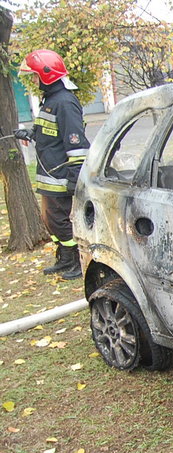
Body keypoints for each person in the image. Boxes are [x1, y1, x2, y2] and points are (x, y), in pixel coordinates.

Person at [16, 49, 89, 280]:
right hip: (49, 173)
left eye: (35, 76)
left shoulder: (65, 103)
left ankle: (78, 261)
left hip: (60, 176)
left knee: (61, 220)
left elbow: (76, 143)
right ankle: (65, 258)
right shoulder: (50, 101)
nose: (34, 81)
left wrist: (74, 178)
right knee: (51, 221)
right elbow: (49, 134)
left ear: (47, 75)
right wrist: (29, 133)